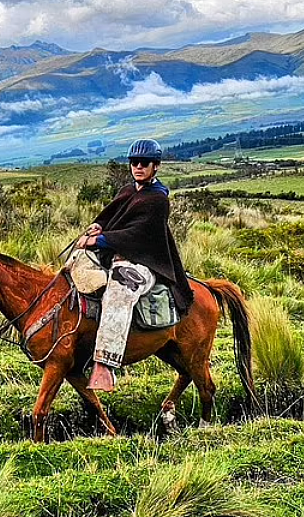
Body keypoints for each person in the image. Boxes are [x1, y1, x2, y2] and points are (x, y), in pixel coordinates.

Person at [75, 138, 194, 391]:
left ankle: (105, 364)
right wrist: (98, 225)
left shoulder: (158, 200)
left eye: (144, 163)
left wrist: (101, 239)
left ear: (156, 166)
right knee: (73, 266)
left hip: (143, 262)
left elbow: (139, 235)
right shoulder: (128, 191)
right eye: (133, 163)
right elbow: (112, 216)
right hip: (114, 254)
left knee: (119, 292)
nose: (137, 167)